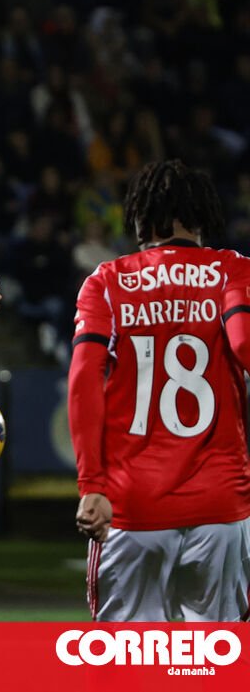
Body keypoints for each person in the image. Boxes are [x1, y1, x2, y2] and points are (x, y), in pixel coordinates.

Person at [70, 159, 250, 622]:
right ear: (201, 218)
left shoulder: (107, 282)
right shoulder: (232, 271)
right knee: (214, 663)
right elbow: (245, 344)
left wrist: (91, 484)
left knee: (123, 664)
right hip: (222, 505)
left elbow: (84, 383)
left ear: (140, 217)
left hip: (131, 505)